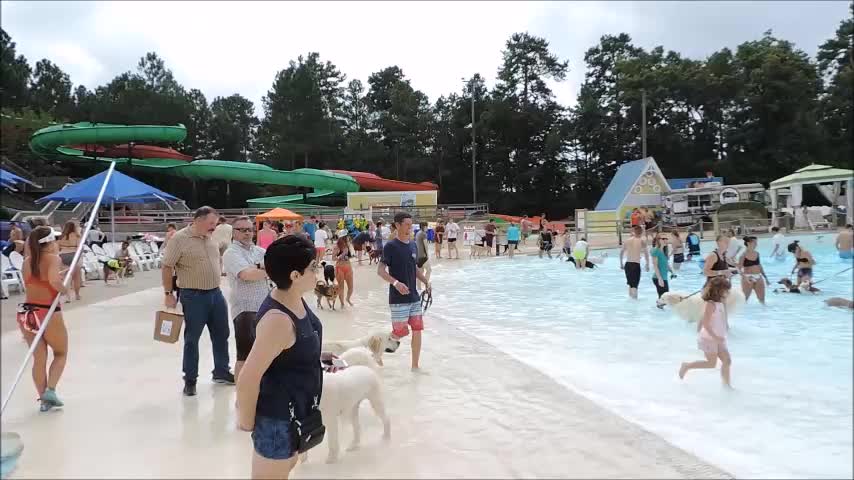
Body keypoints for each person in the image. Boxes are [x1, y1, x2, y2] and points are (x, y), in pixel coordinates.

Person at [236, 235, 339, 479]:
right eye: (313, 268)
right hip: (277, 421)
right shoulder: (277, 321)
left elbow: (288, 350)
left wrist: (318, 357)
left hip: (299, 413)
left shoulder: (295, 298)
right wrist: (249, 423)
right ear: (294, 275)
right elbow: (248, 379)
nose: (318, 272)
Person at [162, 206, 234, 397]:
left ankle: (221, 371)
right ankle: (190, 379)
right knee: (192, 339)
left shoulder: (210, 237)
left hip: (215, 294)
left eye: (215, 224)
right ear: (198, 220)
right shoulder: (179, 239)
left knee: (222, 334)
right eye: (211, 223)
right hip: (193, 296)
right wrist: (168, 293)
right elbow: (167, 266)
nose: (214, 227)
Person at [17, 226, 69, 412]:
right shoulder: (54, 259)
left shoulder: (27, 262)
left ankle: (43, 400)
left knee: (39, 359)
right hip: (48, 312)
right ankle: (51, 390)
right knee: (61, 353)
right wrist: (65, 290)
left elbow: (34, 283)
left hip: (27, 313)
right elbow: (54, 282)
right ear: (49, 243)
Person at [377, 212, 431, 371]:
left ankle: (415, 365)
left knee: (417, 329)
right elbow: (380, 270)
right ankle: (377, 350)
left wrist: (426, 281)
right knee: (400, 332)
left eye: (411, 224)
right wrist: (395, 283)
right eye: (406, 224)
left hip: (413, 296)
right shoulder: (391, 246)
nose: (410, 228)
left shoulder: (413, 245)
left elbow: (414, 268)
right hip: (398, 298)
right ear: (398, 225)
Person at [223, 217, 270, 383]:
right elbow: (246, 275)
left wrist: (263, 269)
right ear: (233, 233)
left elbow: (273, 267)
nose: (247, 233)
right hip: (245, 309)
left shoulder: (260, 251)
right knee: (244, 357)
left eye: (249, 229)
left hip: (265, 308)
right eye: (242, 230)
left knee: (265, 355)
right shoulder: (231, 253)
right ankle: (241, 398)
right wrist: (269, 269)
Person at [678, 277, 733, 388]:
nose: (728, 292)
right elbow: (706, 324)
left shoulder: (721, 303)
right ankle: (687, 366)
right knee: (711, 364)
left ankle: (726, 386)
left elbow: (719, 318)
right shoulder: (710, 304)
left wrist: (725, 327)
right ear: (718, 290)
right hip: (709, 338)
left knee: (727, 361)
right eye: (726, 290)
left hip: (719, 337)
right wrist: (715, 337)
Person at [619, 225, 650, 299]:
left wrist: (621, 263)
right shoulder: (642, 241)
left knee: (630, 285)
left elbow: (621, 253)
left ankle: (630, 301)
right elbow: (646, 254)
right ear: (641, 232)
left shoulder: (627, 240)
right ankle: (635, 303)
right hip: (635, 264)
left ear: (634, 232)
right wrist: (647, 264)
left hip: (628, 264)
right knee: (635, 286)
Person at [738, 236, 770, 305]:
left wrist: (766, 278)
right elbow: (739, 269)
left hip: (758, 277)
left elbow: (759, 266)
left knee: (762, 300)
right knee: (744, 300)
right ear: (748, 243)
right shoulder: (743, 255)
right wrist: (745, 278)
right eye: (754, 243)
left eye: (756, 243)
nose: (756, 244)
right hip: (748, 277)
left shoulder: (757, 253)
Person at [57, 221, 82, 302]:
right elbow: (79, 247)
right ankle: (77, 294)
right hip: (74, 254)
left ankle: (67, 296)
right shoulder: (77, 235)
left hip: (63, 254)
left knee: (65, 277)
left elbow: (57, 247)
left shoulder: (61, 236)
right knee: (76, 277)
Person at [332, 236, 354, 307]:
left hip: (348, 268)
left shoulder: (348, 245)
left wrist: (348, 257)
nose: (348, 239)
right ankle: (342, 304)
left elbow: (349, 256)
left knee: (351, 287)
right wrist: (341, 256)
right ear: (342, 238)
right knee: (341, 287)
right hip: (339, 268)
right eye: (347, 237)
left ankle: (348, 298)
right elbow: (333, 258)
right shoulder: (336, 247)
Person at [415, 222, 431, 290]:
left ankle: (419, 288)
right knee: (429, 270)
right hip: (423, 256)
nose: (427, 228)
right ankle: (426, 284)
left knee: (420, 273)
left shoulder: (418, 233)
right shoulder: (424, 234)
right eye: (427, 226)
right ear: (424, 227)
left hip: (418, 256)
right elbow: (426, 246)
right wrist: (427, 255)